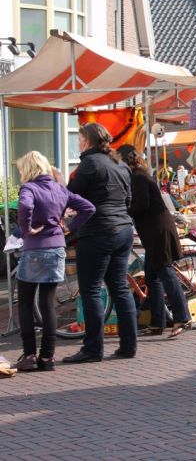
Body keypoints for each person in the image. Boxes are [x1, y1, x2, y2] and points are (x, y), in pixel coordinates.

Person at [13, 152, 95, 371]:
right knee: (48, 304)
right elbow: (88, 207)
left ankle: (29, 355)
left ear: (28, 169)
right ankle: (47, 358)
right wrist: (70, 226)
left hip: (35, 249)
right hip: (57, 247)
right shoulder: (60, 189)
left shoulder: (29, 188)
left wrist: (27, 229)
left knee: (25, 302)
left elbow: (25, 206)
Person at [63, 123, 138, 363]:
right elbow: (128, 200)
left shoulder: (90, 164)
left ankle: (93, 349)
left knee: (91, 290)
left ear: (87, 141)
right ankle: (128, 346)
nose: (78, 144)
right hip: (123, 229)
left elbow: (69, 196)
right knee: (120, 288)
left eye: (79, 139)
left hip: (98, 232)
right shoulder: (121, 164)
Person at [118, 145, 192, 338]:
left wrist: (123, 210)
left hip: (157, 232)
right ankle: (158, 322)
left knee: (165, 272)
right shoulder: (138, 175)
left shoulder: (138, 177)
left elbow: (142, 204)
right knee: (152, 277)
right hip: (152, 232)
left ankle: (183, 317)